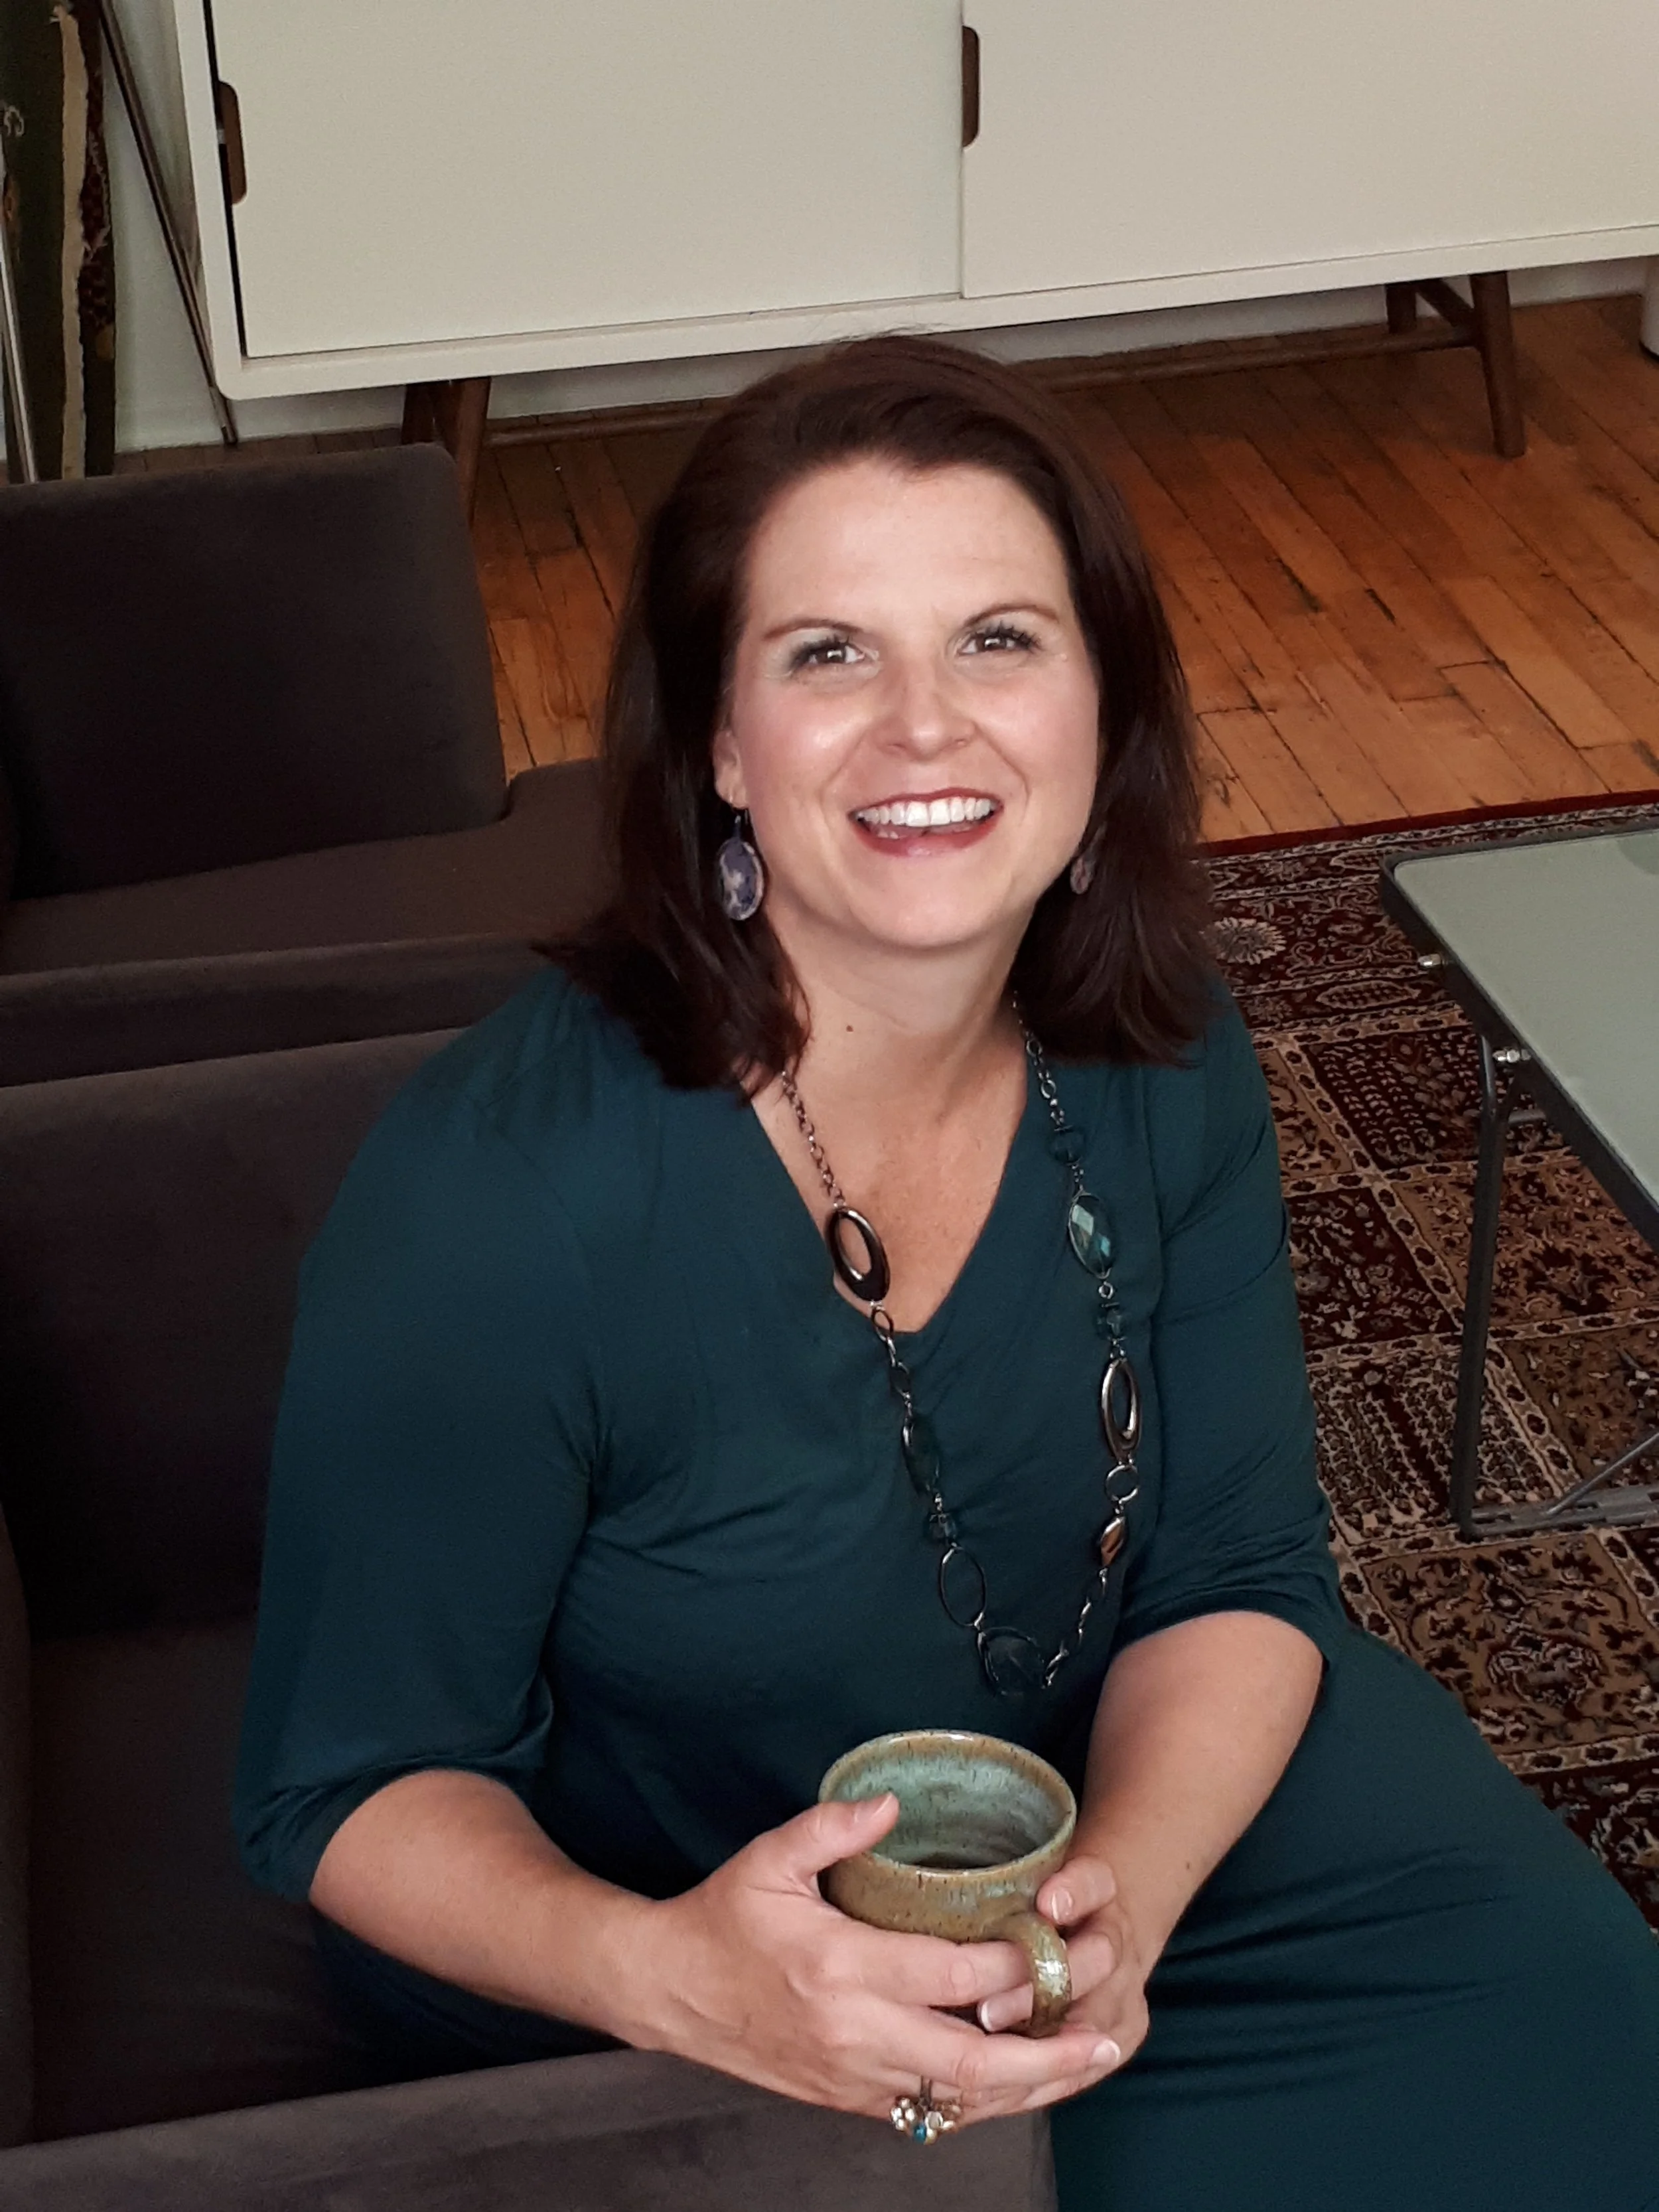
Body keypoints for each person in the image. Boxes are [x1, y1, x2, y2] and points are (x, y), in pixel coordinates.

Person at [235, 337, 1659, 2211]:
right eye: (830, 652)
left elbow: (1236, 1576)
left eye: (999, 637)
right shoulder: (499, 1200)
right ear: (719, 747)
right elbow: (347, 1792)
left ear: (1100, 705)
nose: (928, 726)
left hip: (1114, 1819)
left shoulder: (1161, 1042)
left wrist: (1115, 1906)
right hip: (677, 1939)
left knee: (1596, 2042)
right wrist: (687, 1975)